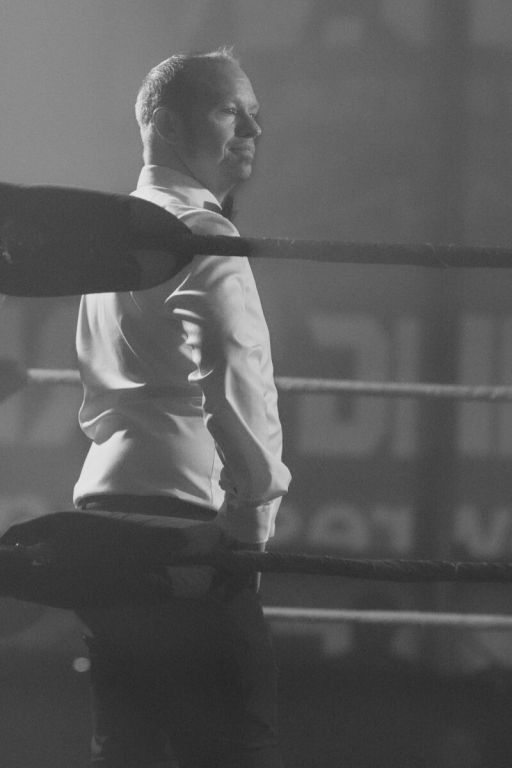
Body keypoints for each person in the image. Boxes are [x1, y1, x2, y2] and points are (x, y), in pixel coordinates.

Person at [72, 47, 291, 768]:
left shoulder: (109, 236)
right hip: (189, 530)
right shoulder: (201, 233)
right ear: (167, 126)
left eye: (254, 114)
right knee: (233, 750)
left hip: (104, 521)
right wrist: (248, 526)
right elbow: (236, 380)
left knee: (126, 752)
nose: (253, 130)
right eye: (230, 111)